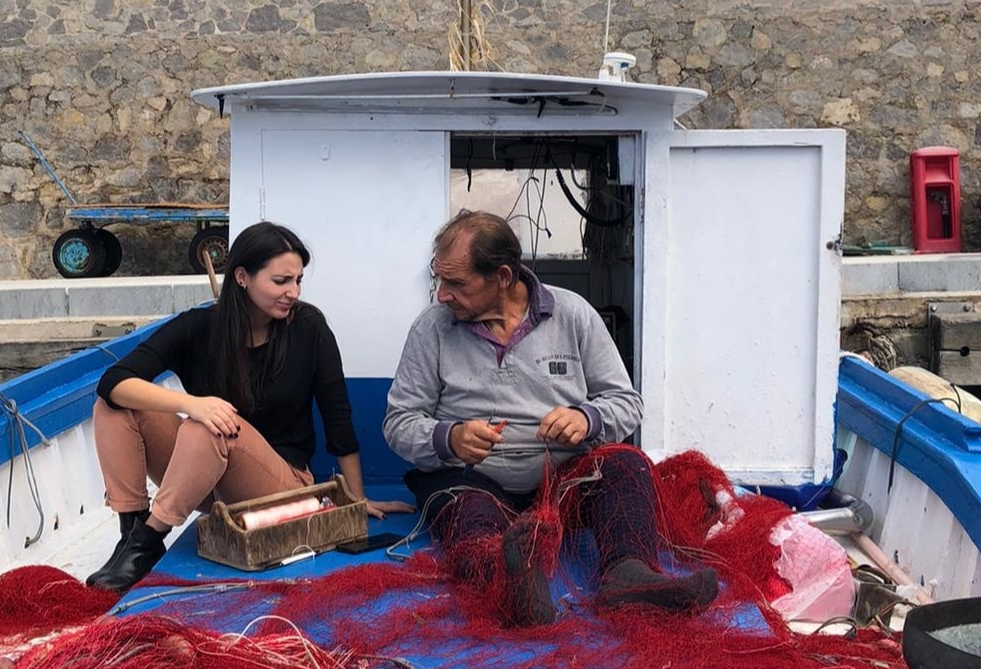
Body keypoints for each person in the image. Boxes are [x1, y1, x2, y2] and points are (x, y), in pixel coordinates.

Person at [384, 210, 718, 626]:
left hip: (562, 479)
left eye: (456, 283)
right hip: (470, 478)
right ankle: (510, 582)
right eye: (439, 280)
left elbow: (627, 402)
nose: (442, 296)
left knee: (625, 465)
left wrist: (587, 418)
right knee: (468, 515)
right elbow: (398, 422)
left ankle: (628, 577)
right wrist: (448, 438)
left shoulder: (573, 314)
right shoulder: (431, 329)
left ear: (502, 276)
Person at [87, 221, 412, 592]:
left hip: (281, 486)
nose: (293, 292)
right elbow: (113, 381)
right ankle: (130, 533)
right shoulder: (199, 327)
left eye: (298, 280)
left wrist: (356, 500)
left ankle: (147, 542)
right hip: (206, 480)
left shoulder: (309, 328)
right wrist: (191, 403)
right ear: (242, 277)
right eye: (281, 281)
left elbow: (338, 417)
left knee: (211, 424)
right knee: (116, 406)